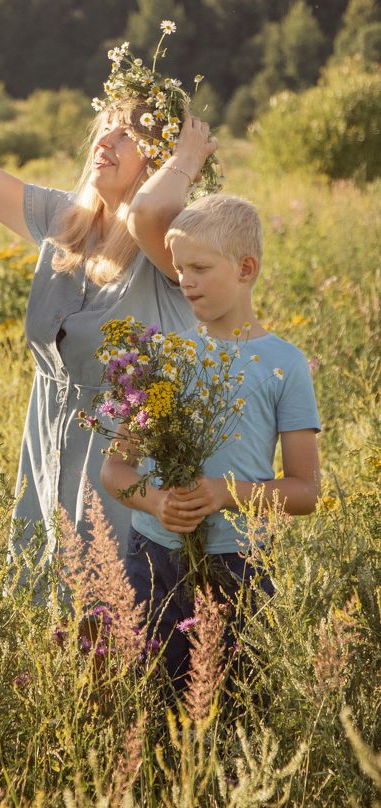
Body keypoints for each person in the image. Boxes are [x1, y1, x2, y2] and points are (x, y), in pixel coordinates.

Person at [0, 86, 218, 556]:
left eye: (127, 135)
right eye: (104, 129)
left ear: (161, 158)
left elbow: (145, 212)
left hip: (125, 473)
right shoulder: (62, 219)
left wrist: (186, 161)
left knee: (117, 612)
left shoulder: (172, 243)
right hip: (47, 451)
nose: (105, 142)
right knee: (44, 610)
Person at [101, 193, 321, 683]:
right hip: (154, 560)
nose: (185, 280)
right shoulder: (159, 358)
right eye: (180, 268)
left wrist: (226, 492)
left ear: (245, 268)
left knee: (237, 710)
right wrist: (157, 503)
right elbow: (114, 471)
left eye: (200, 267)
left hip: (240, 565)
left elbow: (306, 491)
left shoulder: (285, 365)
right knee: (152, 699)